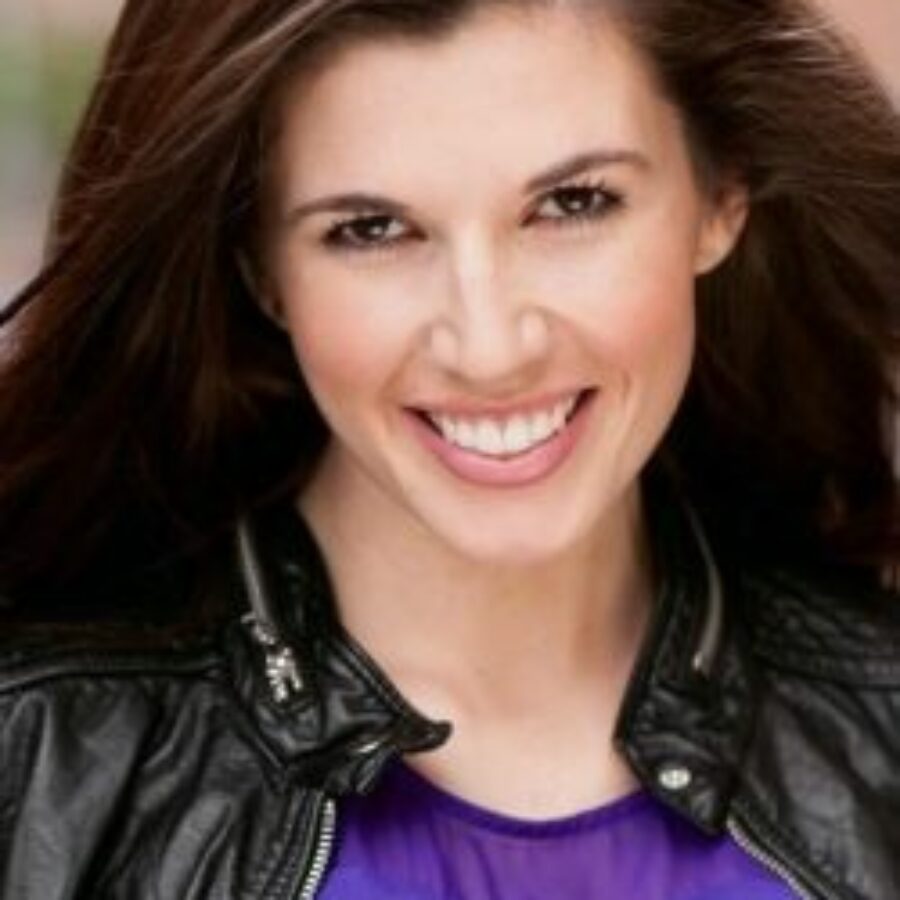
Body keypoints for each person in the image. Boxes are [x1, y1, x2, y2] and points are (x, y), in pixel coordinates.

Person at [0, 0, 898, 897]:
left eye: (573, 204)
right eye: (371, 230)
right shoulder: (37, 757)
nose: (490, 349)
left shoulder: (881, 724)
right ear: (260, 268)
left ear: (721, 195)